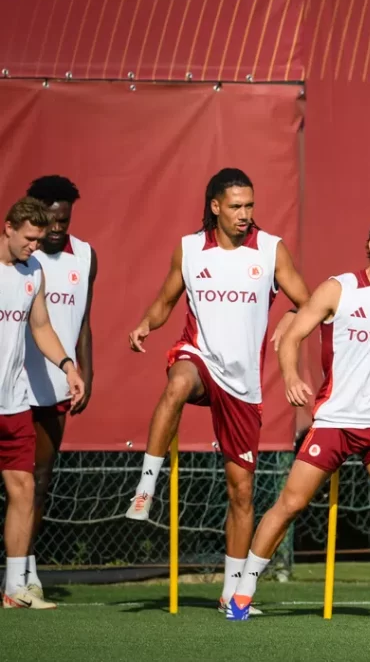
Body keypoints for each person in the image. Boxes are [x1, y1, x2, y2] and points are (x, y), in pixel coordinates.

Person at [224, 212, 370, 622]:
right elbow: (293, 334)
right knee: (291, 504)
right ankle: (241, 595)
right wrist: (290, 375)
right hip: (334, 420)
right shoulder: (340, 289)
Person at [124, 169, 310, 615]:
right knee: (177, 383)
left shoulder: (270, 250)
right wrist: (147, 324)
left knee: (241, 492)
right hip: (200, 358)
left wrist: (288, 318)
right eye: (236, 206)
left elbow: (308, 302)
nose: (245, 214)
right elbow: (166, 300)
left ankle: (231, 593)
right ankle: (145, 488)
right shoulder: (190, 249)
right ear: (215, 206)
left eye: (250, 205)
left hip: (242, 386)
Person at [1, 197, 85, 609]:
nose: (35, 247)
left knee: (24, 488)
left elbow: (40, 326)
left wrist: (69, 366)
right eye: (29, 239)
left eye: (38, 239)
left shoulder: (33, 272)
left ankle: (16, 589)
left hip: (13, 402)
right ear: (9, 228)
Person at [20, 176, 97, 600]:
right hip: (12, 384)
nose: (55, 229)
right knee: (17, 482)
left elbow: (84, 322)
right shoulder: (19, 255)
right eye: (50, 219)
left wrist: (86, 371)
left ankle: (24, 570)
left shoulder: (85, 256)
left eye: (63, 221)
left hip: (55, 386)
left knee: (39, 480)